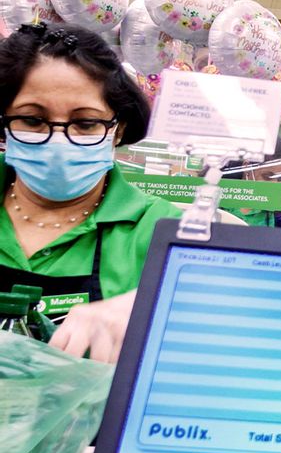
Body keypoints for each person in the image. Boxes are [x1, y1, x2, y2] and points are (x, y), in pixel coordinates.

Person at [0, 23, 180, 363]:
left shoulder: (161, 228)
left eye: (85, 124)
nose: (57, 140)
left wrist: (158, 308)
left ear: (118, 129)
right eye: (32, 120)